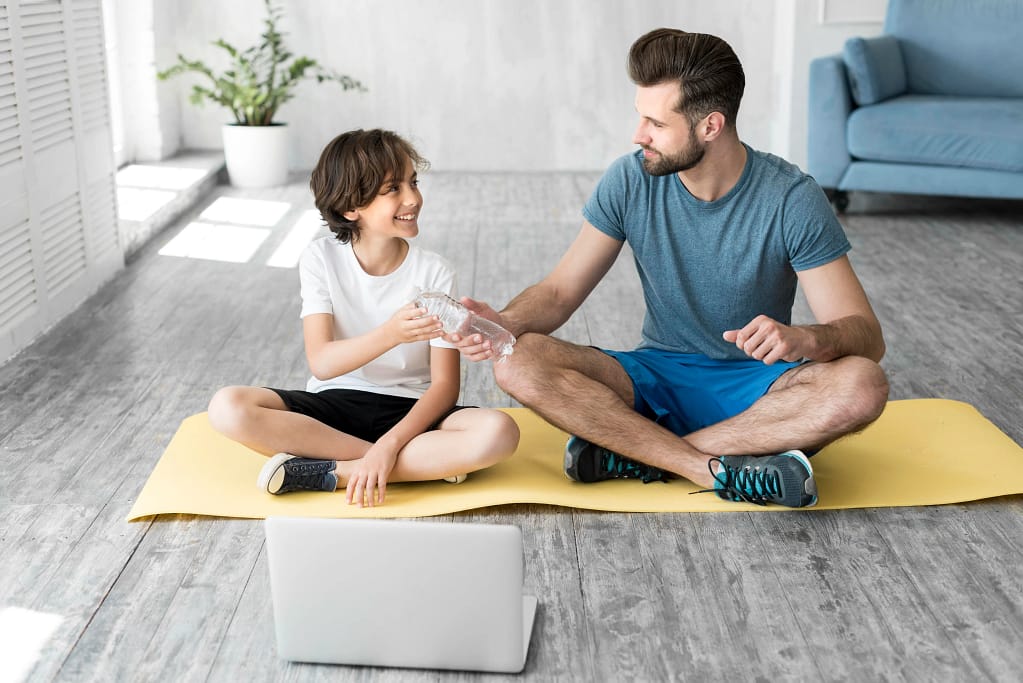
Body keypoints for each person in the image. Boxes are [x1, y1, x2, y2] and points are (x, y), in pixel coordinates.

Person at [451, 28, 888, 508]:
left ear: (710, 126)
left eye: (655, 123)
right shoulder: (630, 177)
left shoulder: (791, 198)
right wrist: (506, 323)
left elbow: (866, 335)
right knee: (517, 361)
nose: (639, 135)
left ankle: (637, 451)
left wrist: (806, 338)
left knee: (863, 384)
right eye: (641, 117)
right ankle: (710, 465)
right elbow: (558, 293)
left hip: (760, 389)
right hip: (653, 375)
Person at [208, 128, 520, 507]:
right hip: (334, 405)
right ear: (349, 209)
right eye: (393, 189)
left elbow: (444, 387)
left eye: (413, 182)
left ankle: (338, 471)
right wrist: (391, 333)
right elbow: (322, 363)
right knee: (227, 407)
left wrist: (390, 444)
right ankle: (419, 466)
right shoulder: (320, 259)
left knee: (500, 431)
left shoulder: (435, 271)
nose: (413, 198)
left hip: (411, 413)